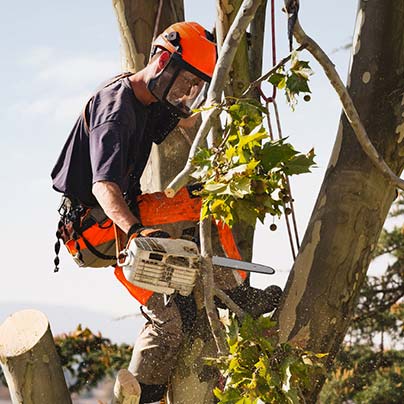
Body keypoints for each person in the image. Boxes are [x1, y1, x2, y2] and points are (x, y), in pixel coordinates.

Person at [51, 21, 282, 403]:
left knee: (175, 311)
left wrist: (229, 93)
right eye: (186, 81)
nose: (188, 92)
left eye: (196, 86)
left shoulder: (152, 101)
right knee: (197, 214)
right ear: (162, 60)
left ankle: (150, 391)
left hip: (116, 221)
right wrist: (136, 230)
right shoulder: (116, 109)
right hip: (96, 227)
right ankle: (231, 296)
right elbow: (103, 186)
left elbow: (192, 120)